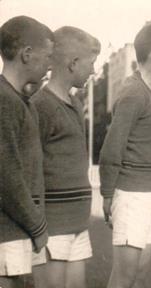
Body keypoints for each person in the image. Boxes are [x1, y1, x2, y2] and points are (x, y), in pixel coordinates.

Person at [99, 23, 151, 288]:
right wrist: (108, 194)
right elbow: (113, 146)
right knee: (124, 277)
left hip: (149, 196)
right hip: (132, 195)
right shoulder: (133, 92)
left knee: (140, 273)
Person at [30, 27, 100, 288]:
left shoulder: (76, 104)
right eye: (91, 64)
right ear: (73, 63)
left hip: (77, 224)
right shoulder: (40, 105)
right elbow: (28, 169)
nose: (94, 71)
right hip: (52, 226)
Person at [0, 16, 53, 288]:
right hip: (6, 234)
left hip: (19, 232)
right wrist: (38, 226)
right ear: (27, 53)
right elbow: (6, 176)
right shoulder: (4, 100)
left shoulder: (23, 101)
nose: (50, 65)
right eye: (48, 56)